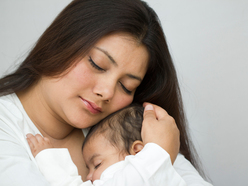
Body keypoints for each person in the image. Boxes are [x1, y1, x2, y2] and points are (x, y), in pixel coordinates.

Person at [0, 0, 212, 185]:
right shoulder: (5, 127)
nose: (107, 92)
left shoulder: (122, 125)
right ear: (60, 42)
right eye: (97, 64)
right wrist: (157, 158)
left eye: (126, 86)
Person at [26, 104, 211, 186]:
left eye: (97, 164)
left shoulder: (131, 172)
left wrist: (47, 158)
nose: (89, 177)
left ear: (137, 151)